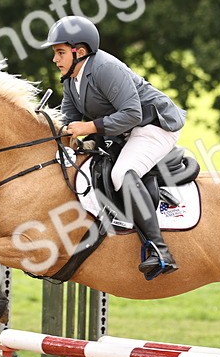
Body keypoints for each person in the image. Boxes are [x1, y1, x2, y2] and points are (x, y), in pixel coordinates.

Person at [41, 15, 186, 279]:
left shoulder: (106, 67)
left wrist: (88, 128)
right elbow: (68, 121)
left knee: (121, 173)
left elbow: (131, 113)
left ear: (80, 51)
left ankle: (159, 250)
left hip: (154, 126)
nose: (55, 59)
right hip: (123, 133)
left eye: (60, 52)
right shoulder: (71, 79)